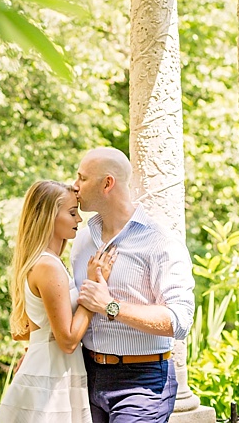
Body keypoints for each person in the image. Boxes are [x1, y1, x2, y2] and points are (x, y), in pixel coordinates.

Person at [70, 147, 195, 423]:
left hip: (142, 383)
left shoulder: (161, 242)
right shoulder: (81, 241)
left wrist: (109, 305)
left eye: (82, 178)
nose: (74, 186)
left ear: (107, 183)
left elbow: (180, 321)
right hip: (86, 375)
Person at [0, 179, 105, 422]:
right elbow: (67, 340)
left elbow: (32, 329)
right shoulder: (47, 266)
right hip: (50, 376)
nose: (79, 220)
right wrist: (93, 288)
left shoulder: (49, 261)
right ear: (48, 216)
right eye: (72, 213)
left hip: (54, 368)